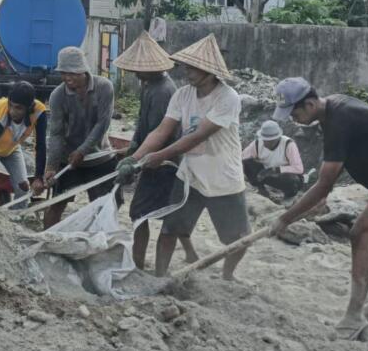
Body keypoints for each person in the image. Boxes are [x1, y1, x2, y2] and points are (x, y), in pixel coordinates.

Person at [269, 78, 368, 338]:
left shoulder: (338, 121)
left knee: (360, 234)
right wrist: (314, 199)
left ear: (310, 104)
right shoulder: (332, 110)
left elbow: (324, 185)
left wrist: (285, 219)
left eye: (295, 112)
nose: (293, 119)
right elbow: (329, 178)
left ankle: (354, 315)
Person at [120, 34, 248, 280]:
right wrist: (134, 159)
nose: (187, 72)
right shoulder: (182, 95)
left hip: (223, 176)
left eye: (194, 68)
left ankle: (227, 276)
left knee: (239, 238)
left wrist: (160, 156)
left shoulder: (227, 97)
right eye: (187, 66)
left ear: (210, 73)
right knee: (170, 229)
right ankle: (159, 276)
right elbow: (161, 130)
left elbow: (198, 136)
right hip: (190, 175)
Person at [109, 31, 182, 271]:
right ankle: (143, 261)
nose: (134, 73)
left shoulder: (162, 91)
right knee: (149, 213)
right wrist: (131, 150)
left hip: (163, 162)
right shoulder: (150, 85)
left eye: (138, 69)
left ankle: (140, 264)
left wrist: (136, 160)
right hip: (150, 156)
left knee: (141, 212)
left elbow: (158, 133)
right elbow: (142, 127)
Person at [42, 46, 117, 229]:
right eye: (64, 73)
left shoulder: (104, 87)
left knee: (103, 206)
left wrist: (83, 151)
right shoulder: (58, 96)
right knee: (56, 205)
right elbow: (56, 133)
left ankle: (101, 244)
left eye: (72, 73)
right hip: (68, 158)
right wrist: (51, 166)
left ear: (83, 70)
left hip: (99, 157)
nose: (68, 78)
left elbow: (103, 124)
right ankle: (46, 240)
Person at [0, 81, 48, 209]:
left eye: (18, 108)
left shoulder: (39, 112)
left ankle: (17, 218)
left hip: (11, 148)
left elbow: (40, 145)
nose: (13, 111)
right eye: (10, 105)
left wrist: (38, 177)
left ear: (29, 107)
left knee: (23, 188)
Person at [242, 120, 305, 201]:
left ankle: (289, 196)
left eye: (270, 141)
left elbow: (299, 168)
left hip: (285, 177)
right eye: (264, 140)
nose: (266, 143)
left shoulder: (288, 144)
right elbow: (242, 157)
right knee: (247, 162)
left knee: (292, 180)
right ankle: (261, 189)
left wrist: (276, 170)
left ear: (277, 138)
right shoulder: (257, 143)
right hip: (265, 174)